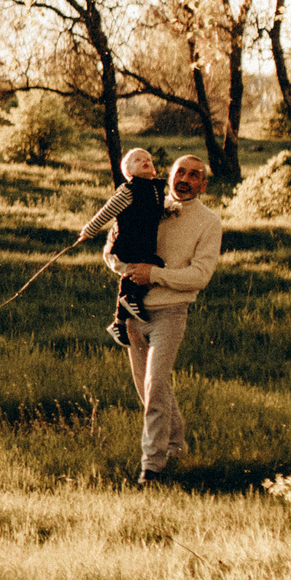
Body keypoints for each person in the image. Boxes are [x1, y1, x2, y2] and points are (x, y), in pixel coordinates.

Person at [103, 153, 221, 482]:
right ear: (168, 175)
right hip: (132, 310)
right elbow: (111, 250)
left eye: (194, 175)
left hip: (170, 312)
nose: (185, 179)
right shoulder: (145, 203)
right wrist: (129, 270)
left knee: (155, 387)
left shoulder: (209, 222)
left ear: (203, 184)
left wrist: (154, 274)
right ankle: (176, 445)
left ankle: (151, 466)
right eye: (180, 171)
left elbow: (199, 276)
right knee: (151, 388)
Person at [103, 148, 165, 350]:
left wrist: (169, 211)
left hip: (140, 245)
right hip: (125, 245)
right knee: (135, 274)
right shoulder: (128, 190)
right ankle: (130, 300)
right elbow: (107, 212)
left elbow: (153, 212)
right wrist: (88, 230)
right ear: (128, 171)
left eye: (148, 159)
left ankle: (119, 323)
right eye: (138, 160)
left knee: (149, 269)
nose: (145, 161)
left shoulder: (154, 189)